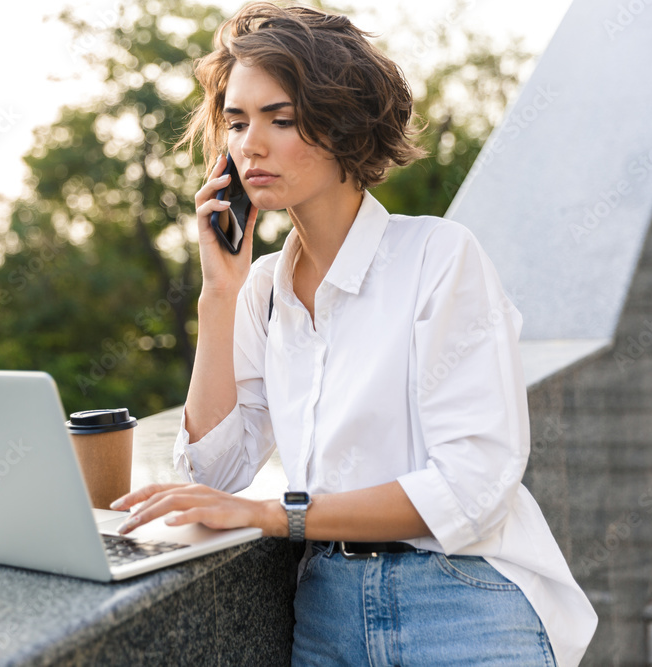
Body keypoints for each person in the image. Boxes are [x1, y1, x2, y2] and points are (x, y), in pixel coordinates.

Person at [109, 2, 598, 665]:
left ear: (342, 124)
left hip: (461, 601)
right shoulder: (261, 292)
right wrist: (219, 290)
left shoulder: (439, 256)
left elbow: (474, 487)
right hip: (327, 612)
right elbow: (213, 471)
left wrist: (279, 516)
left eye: (280, 119)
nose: (249, 144)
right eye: (236, 122)